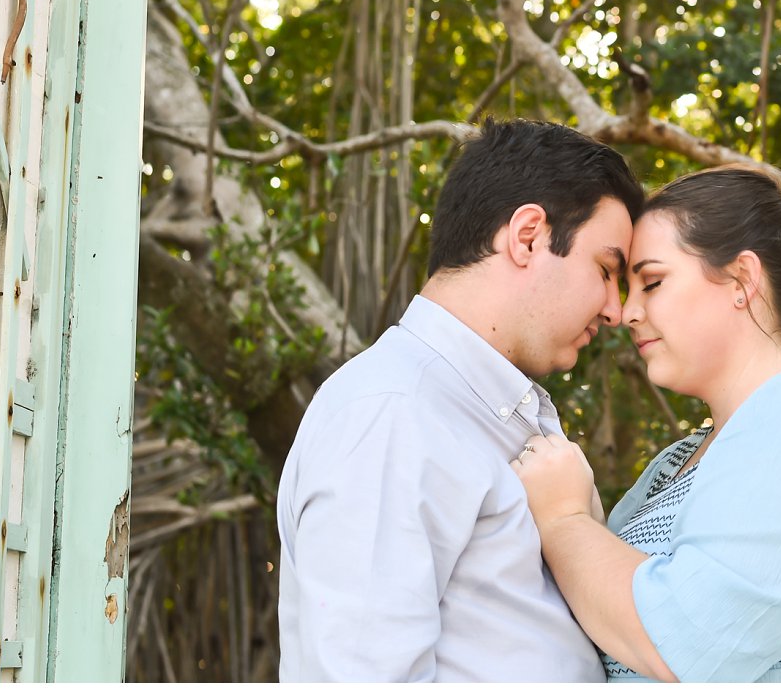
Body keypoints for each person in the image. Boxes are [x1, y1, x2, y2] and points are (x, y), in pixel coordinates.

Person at [513, 166, 781, 683]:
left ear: (742, 280)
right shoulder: (678, 461)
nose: (627, 312)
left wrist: (563, 520)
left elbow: (686, 643)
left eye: (652, 282)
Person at [276, 119, 645, 681]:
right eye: (605, 270)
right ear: (527, 237)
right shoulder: (392, 414)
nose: (615, 310)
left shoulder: (486, 410)